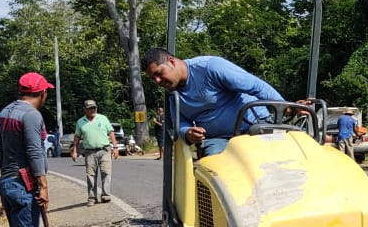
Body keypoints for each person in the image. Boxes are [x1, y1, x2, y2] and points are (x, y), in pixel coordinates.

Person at [141, 48, 284, 156]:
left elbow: (255, 86)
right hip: (217, 139)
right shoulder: (173, 94)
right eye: (153, 79)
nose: (157, 81)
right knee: (214, 169)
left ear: (171, 62)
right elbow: (181, 123)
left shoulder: (210, 67)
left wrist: (283, 106)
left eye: (158, 74)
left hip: (254, 126)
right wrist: (188, 132)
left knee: (277, 157)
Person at [0, 72, 54, 227]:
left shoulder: (6, 112)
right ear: (42, 93)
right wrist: (43, 185)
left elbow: (1, 151)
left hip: (8, 181)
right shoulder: (31, 115)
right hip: (23, 184)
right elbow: (34, 151)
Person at [70, 99, 118, 205]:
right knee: (90, 175)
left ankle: (105, 195)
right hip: (89, 152)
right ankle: (92, 197)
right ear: (85, 110)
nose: (93, 110)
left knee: (106, 173)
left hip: (104, 150)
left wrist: (115, 147)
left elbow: (111, 133)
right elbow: (77, 137)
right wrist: (74, 150)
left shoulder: (103, 118)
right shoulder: (80, 122)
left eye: (94, 108)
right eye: (90, 108)